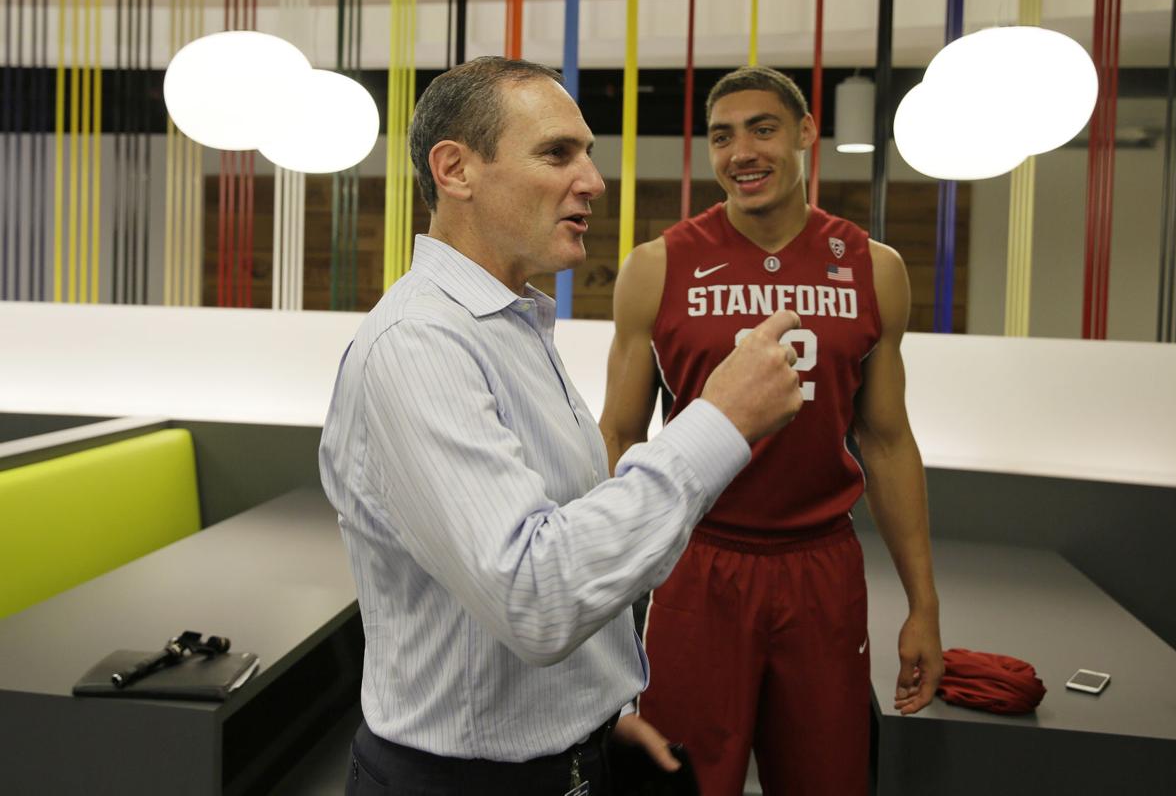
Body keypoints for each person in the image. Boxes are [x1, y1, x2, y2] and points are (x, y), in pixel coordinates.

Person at [318, 57, 809, 796]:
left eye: (588, 154)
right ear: (455, 169)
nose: (594, 181)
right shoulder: (418, 346)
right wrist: (719, 421)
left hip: (563, 760)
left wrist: (594, 711)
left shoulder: (511, 325)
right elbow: (533, 593)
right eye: (557, 153)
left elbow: (557, 537)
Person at [599, 66, 943, 796]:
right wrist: (594, 601)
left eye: (763, 128)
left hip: (821, 564)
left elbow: (886, 442)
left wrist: (924, 603)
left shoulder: (874, 268)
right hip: (700, 560)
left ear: (807, 135)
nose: (741, 152)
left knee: (828, 779)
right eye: (722, 136)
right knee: (683, 781)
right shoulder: (656, 267)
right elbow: (618, 434)